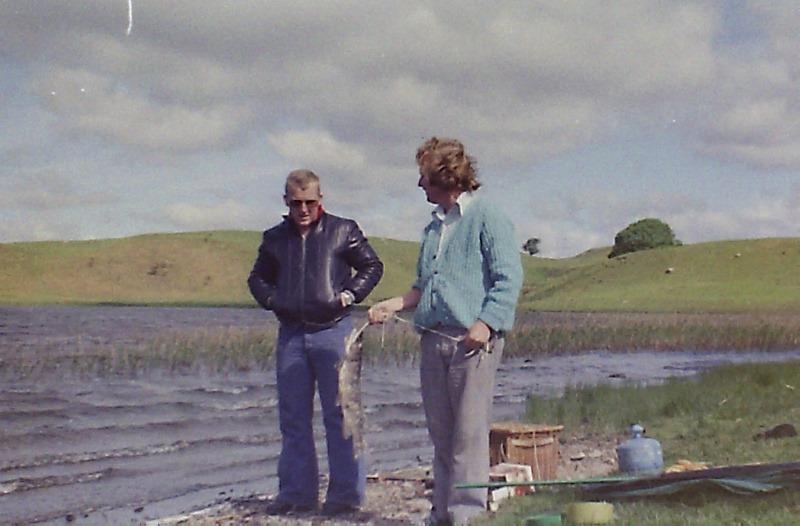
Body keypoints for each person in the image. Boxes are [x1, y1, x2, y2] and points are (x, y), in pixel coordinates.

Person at [368, 137, 522, 525]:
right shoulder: (433, 228)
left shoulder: (488, 217)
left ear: (446, 177)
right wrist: (393, 304)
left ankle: (467, 515)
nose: (420, 185)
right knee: (441, 434)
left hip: (473, 345)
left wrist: (485, 324)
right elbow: (425, 286)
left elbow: (508, 279)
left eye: (424, 177)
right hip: (434, 340)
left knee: (468, 437)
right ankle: (442, 513)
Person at [248, 169, 383, 516]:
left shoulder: (343, 230)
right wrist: (273, 300)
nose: (303, 209)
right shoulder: (275, 238)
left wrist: (351, 294)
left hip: (334, 332)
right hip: (291, 335)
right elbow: (257, 278)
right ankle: (297, 495)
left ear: (320, 199)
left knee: (342, 415)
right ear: (286, 201)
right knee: (293, 418)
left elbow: (371, 265)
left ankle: (346, 498)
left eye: (310, 202)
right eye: (296, 203)